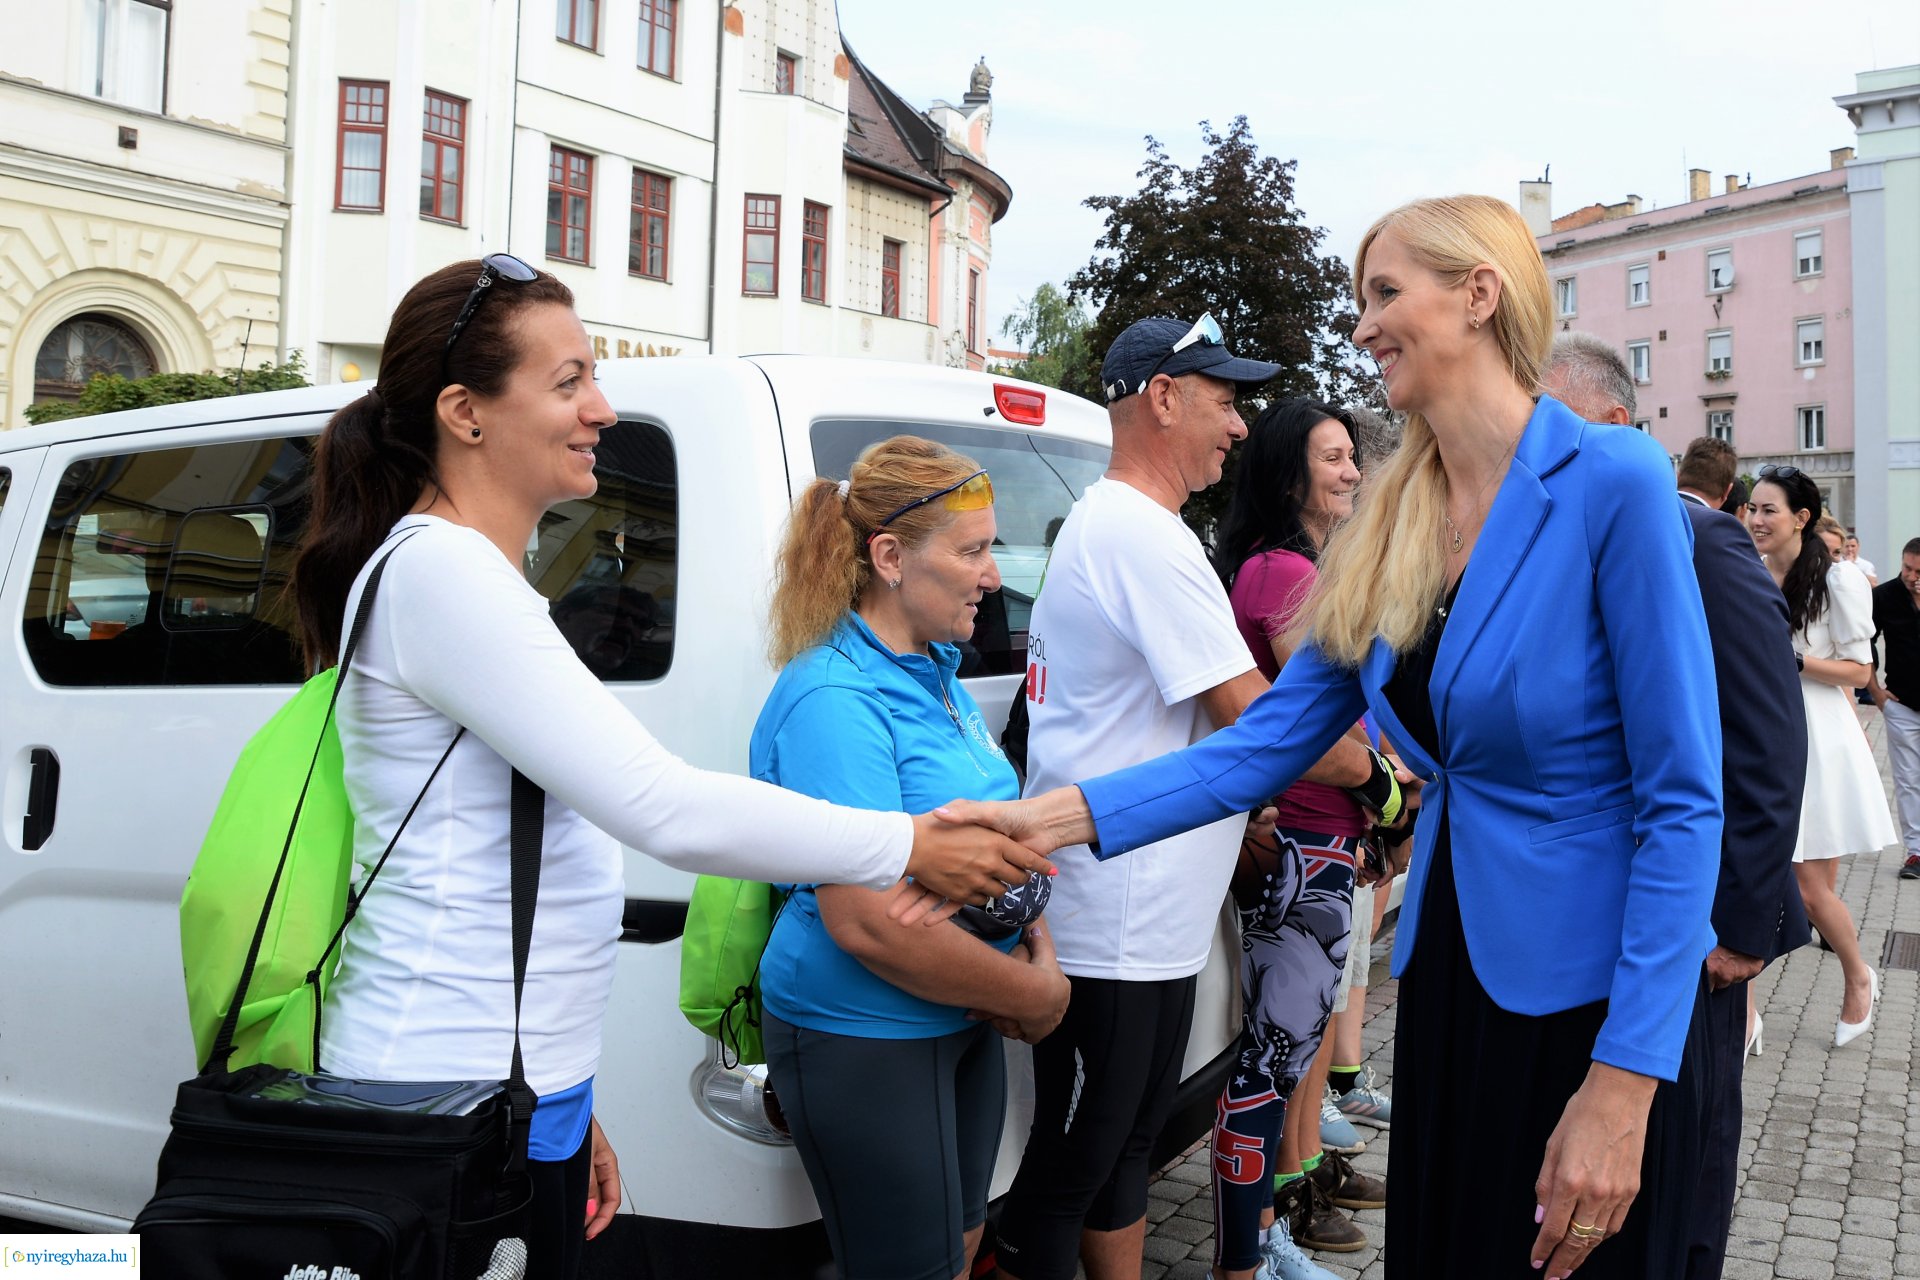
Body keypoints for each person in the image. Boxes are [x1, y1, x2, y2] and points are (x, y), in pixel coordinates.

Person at [959, 195, 1723, 1280]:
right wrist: (1048, 817)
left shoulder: (1614, 483)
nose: (1361, 326)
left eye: (1384, 293)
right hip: (1455, 972)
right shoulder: (1392, 517)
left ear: (1478, 293)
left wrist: (1626, 1080)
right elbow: (1257, 746)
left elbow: (1685, 797)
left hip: (1595, 999)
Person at [289, 256, 1053, 1279]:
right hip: (434, 1085)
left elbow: (519, 867)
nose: (600, 407)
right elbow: (658, 803)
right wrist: (909, 842)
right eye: (568, 383)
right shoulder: (439, 572)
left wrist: (568, 1094)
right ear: (466, 412)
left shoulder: (477, 576)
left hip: (509, 1082)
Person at [990, 316, 1398, 1280]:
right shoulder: (1140, 535)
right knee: (1075, 1164)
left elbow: (1213, 725)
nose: (1241, 426)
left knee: (1123, 1150)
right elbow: (1262, 724)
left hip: (1145, 912)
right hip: (1115, 917)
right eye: (1223, 400)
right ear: (1162, 397)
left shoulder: (1136, 526)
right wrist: (1383, 780)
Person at [752, 436, 1071, 1280]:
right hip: (868, 1029)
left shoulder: (935, 670)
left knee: (961, 1247)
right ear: (889, 557)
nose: (994, 575)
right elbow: (866, 923)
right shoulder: (833, 697)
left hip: (959, 1017)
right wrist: (1036, 996)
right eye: (972, 551)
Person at [1542, 339, 1809, 1280]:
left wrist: (1744, 922)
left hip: (1701, 930)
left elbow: (1769, 740)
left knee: (1684, 1176)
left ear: (1614, 428)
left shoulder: (1696, 536)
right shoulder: (1553, 534)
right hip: (1616, 925)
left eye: (1553, 418)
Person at [1209, 398, 1387, 1280]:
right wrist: (1387, 782)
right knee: (1271, 1060)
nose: (1353, 471)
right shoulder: (1280, 572)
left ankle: (1266, 1229)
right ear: (1288, 477)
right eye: (1334, 458)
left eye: (1354, 455)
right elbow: (1309, 719)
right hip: (1302, 841)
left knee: (1291, 1048)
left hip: (1324, 839)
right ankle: (1253, 1246)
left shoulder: (1301, 567)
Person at [1747, 466, 1894, 1048]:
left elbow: (1861, 671)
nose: (1756, 520)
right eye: (1752, 509)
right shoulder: (1747, 572)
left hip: (1817, 737)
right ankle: (1747, 1012)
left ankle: (1859, 976)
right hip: (1758, 733)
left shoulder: (1838, 580)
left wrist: (1794, 664)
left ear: (1801, 518)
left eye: (1769, 511)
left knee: (1809, 889)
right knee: (1750, 875)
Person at [1869, 538, 1920, 880]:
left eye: (1919, 571)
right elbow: (1862, 642)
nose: (1912, 576)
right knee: (1907, 780)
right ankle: (1916, 852)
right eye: (1907, 568)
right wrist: (1876, 693)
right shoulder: (1884, 596)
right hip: (1901, 704)